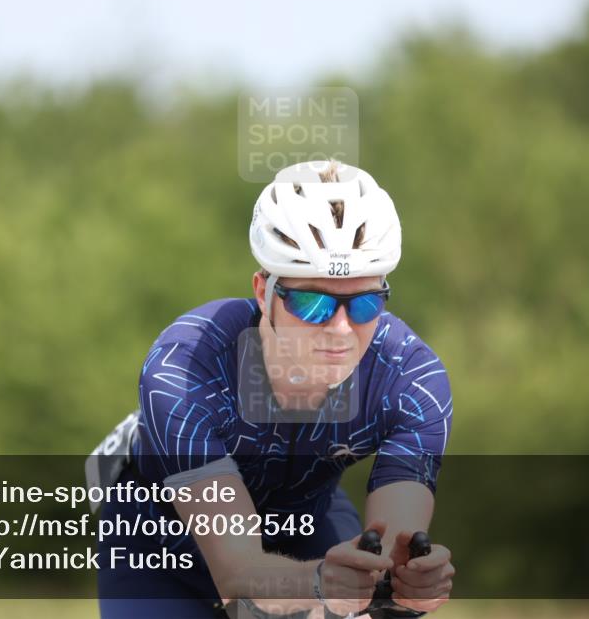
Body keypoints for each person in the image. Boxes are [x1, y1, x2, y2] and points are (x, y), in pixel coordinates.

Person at [96, 160, 454, 618]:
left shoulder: (410, 377)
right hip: (162, 538)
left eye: (365, 302)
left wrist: (404, 585)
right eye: (313, 302)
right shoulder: (183, 366)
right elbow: (239, 578)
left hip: (306, 521)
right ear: (263, 290)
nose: (341, 329)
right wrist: (321, 585)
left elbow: (395, 547)